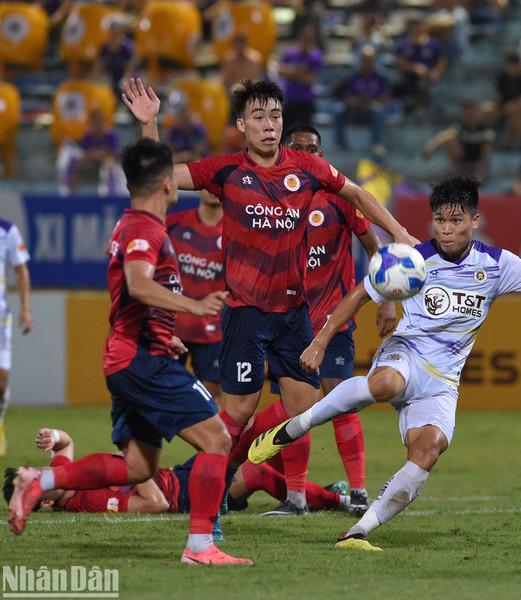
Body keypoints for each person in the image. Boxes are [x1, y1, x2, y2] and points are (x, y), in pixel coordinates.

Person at [247, 172, 521, 551]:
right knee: (385, 384)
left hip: (442, 382)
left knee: (428, 451)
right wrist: (320, 340)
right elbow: (360, 294)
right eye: (439, 220)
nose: (446, 228)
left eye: (455, 220)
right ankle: (295, 426)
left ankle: (357, 533)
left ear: (475, 220)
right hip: (406, 353)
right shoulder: (413, 260)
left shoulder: (495, 265)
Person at [121, 78, 417, 525]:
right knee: (238, 409)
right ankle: (212, 489)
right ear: (241, 125)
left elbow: (355, 194)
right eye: (258, 117)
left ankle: (279, 490)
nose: (269, 125)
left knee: (303, 409)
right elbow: (163, 178)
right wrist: (150, 124)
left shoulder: (308, 167)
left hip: (294, 315)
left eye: (275, 116)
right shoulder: (225, 171)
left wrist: (395, 231)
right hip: (246, 315)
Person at [7, 138, 252, 566]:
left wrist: (163, 331)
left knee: (138, 466)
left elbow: (131, 293)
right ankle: (200, 546)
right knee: (218, 438)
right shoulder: (144, 228)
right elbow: (138, 284)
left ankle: (40, 479)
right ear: (165, 184)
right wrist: (193, 306)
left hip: (132, 353)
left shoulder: (129, 223)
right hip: (142, 360)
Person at [230, 124, 397, 516]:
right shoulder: (274, 202)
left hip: (334, 319)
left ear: (321, 156)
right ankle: (296, 497)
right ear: (287, 151)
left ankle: (357, 495)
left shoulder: (340, 200)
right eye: (298, 146)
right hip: (290, 322)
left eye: (313, 148)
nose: (306, 153)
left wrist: (388, 301)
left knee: (341, 399)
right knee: (294, 409)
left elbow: (375, 247)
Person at [3, 427, 351, 515]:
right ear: (45, 503)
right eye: (31, 484)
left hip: (179, 472)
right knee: (256, 473)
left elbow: (65, 446)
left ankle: (309, 492)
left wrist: (54, 435)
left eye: (31, 473)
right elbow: (156, 505)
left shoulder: (61, 475)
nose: (37, 477)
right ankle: (340, 502)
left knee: (251, 446)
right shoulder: (88, 502)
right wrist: (130, 467)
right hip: (182, 495)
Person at [166, 190, 224, 409]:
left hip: (213, 328)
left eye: (216, 184)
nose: (211, 190)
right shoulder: (174, 224)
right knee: (162, 388)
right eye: (206, 185)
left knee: (211, 392)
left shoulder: (236, 231)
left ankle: (214, 444)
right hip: (172, 324)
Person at [0, 219, 32, 457]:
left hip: (1, 318)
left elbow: (21, 270)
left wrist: (26, 308)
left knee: (1, 382)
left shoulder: (7, 231)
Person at [421, 99, 496, 185]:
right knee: (450, 139)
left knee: (486, 145)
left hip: (479, 166)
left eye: (471, 113)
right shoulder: (459, 127)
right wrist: (430, 147)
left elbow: (486, 153)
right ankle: (456, 175)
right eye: (467, 113)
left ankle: (477, 178)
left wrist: (479, 171)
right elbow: (446, 135)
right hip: (462, 163)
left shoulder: (484, 129)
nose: (469, 116)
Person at [334, 45, 391, 154]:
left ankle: (377, 144)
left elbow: (385, 98)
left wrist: (370, 104)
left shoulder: (380, 77)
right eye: (364, 59)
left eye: (369, 59)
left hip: (371, 112)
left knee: (378, 111)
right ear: (360, 60)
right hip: (355, 111)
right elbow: (347, 97)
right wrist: (358, 103)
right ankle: (340, 145)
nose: (367, 62)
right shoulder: (353, 76)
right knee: (338, 111)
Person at [55, 108, 127, 197]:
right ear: (92, 122)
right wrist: (96, 154)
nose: (98, 125)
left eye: (100, 121)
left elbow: (112, 154)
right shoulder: (88, 135)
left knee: (109, 165)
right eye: (96, 122)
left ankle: (110, 192)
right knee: (76, 162)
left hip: (107, 162)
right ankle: (69, 191)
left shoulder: (110, 135)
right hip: (91, 161)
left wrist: (97, 154)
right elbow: (84, 154)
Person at [277, 25, 324, 133]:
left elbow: (308, 79)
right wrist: (299, 72)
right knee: (283, 134)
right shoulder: (290, 53)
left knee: (305, 135)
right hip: (289, 99)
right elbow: (280, 71)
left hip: (305, 101)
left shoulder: (316, 56)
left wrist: (291, 73)